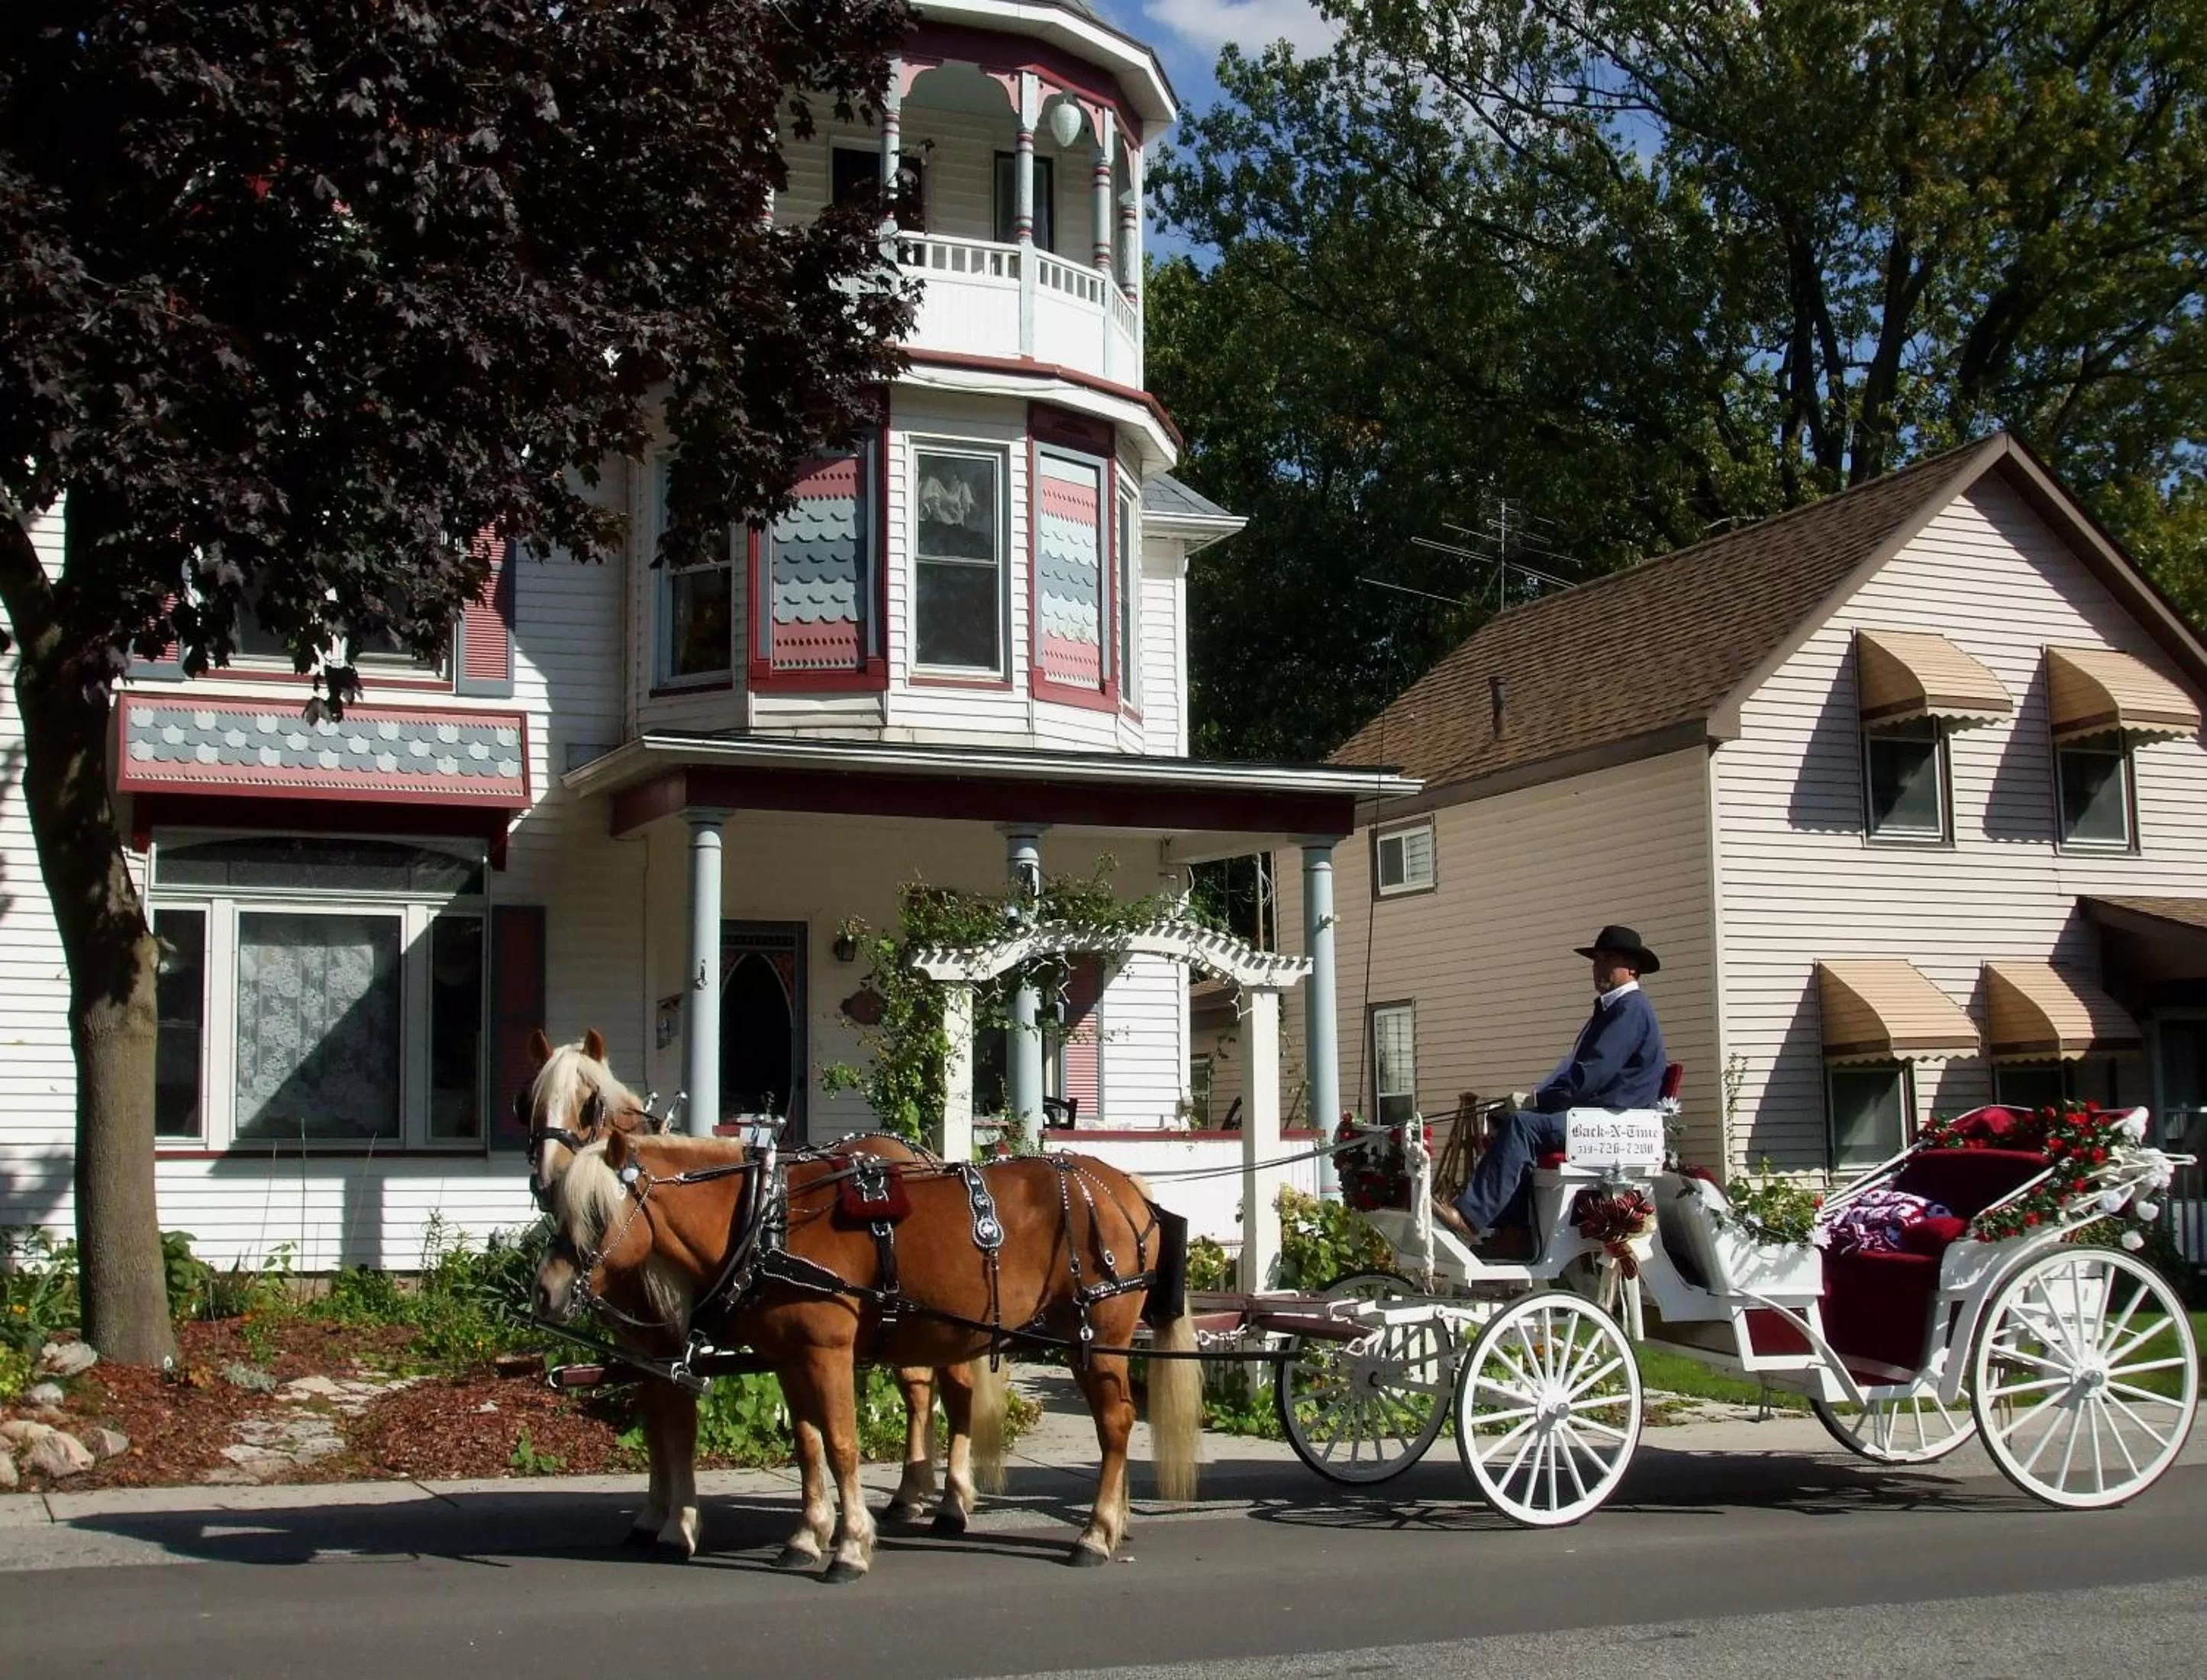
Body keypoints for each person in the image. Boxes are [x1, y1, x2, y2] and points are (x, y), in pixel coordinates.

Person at [1433, 925, 1667, 1254]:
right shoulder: (1613, 1009)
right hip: (1597, 1116)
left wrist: (1539, 1100)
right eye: (1596, 960)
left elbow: (1590, 1074)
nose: (1599, 967)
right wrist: (1534, 1100)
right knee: (1507, 1122)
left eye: (1608, 959)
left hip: (1612, 1121)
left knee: (1522, 1127)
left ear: (1632, 967)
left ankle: (1471, 1216)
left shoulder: (1629, 1010)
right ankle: (1513, 1232)